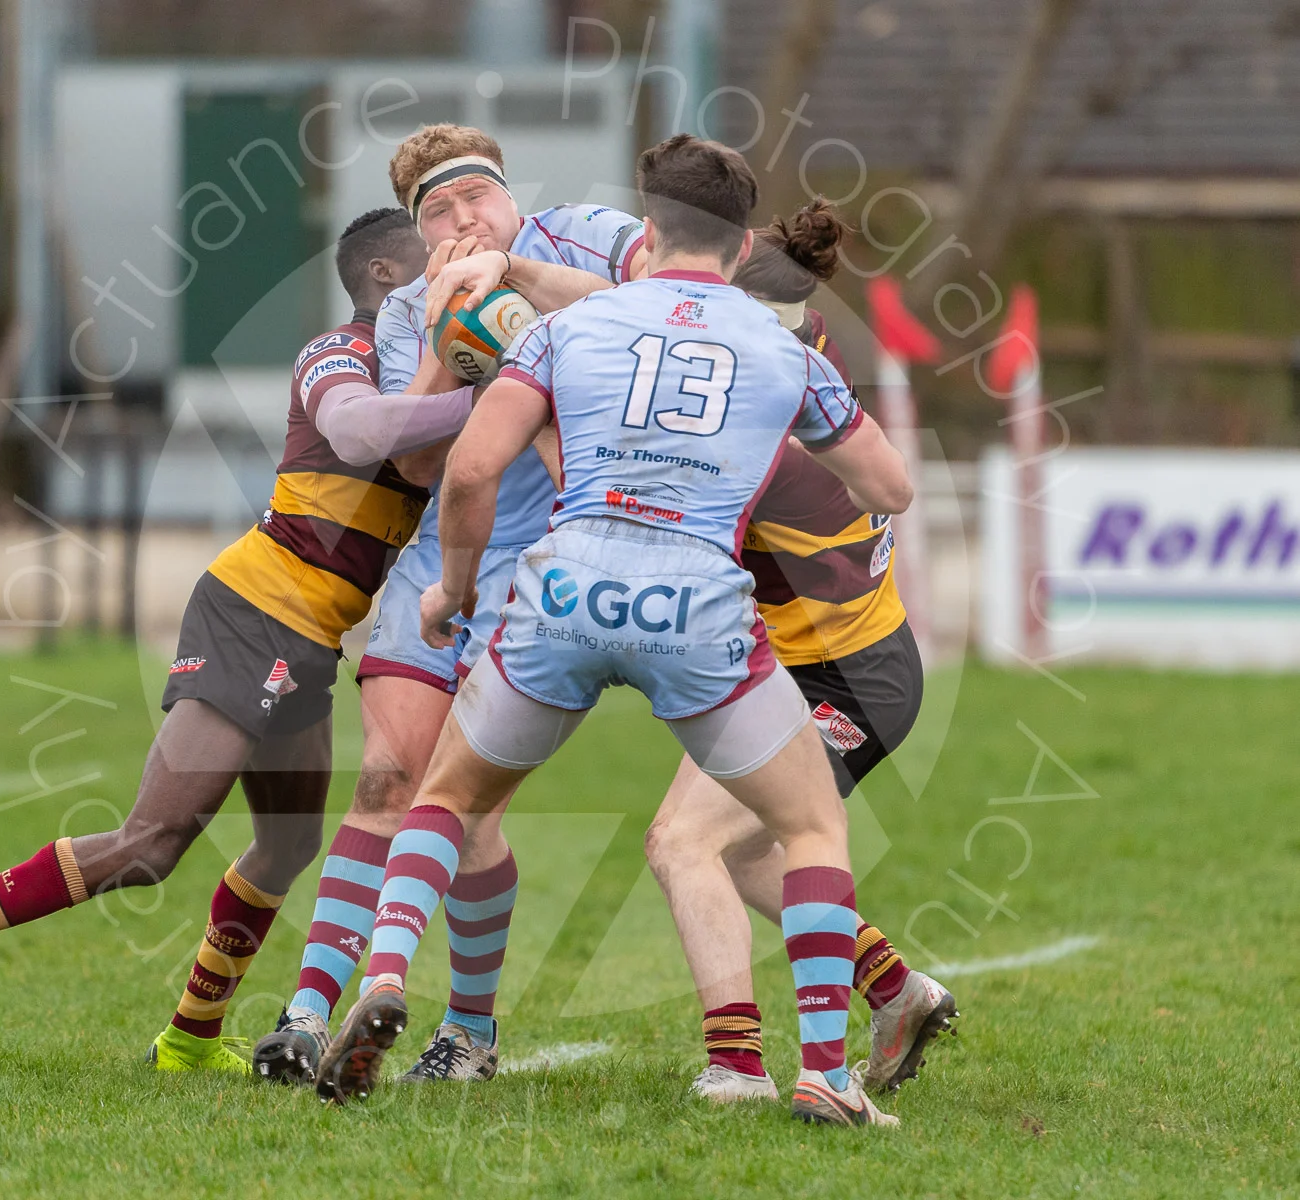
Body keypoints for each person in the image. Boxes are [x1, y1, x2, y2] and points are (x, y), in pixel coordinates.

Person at [314, 134, 914, 1129]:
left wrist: (451, 593)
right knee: (808, 825)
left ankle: (383, 978)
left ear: (645, 234)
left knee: (450, 794)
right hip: (697, 608)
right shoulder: (782, 349)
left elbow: (466, 472)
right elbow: (889, 486)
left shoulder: (562, 331)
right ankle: (823, 1070)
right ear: (737, 245)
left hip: (565, 590)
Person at [0, 208, 462, 1073]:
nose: (457, 267)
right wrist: (484, 395)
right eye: (436, 258)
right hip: (256, 611)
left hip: (307, 634)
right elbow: (362, 432)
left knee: (288, 843)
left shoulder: (416, 371)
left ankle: (191, 1037)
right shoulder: (339, 354)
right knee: (149, 845)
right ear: (386, 278)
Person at [257, 123, 648, 1087]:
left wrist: (516, 282)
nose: (464, 219)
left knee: (466, 805)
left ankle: (464, 1027)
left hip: (559, 561)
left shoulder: (585, 235)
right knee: (388, 778)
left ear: (510, 196)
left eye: (477, 198)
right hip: (442, 551)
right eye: (439, 211)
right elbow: (420, 462)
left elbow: (673, 302)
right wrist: (445, 326)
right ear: (420, 232)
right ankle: (310, 1014)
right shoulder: (402, 313)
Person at [643, 200, 956, 1104]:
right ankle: (895, 989)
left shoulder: (763, 443)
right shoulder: (804, 357)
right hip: (802, 667)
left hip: (852, 680)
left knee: (683, 843)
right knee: (737, 853)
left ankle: (738, 1064)